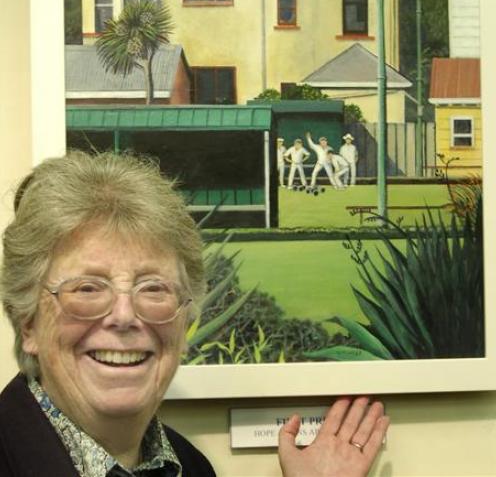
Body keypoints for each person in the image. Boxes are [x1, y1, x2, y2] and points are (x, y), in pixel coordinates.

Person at [0, 150, 389, 476]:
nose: (124, 315)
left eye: (153, 288)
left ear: (185, 319)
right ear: (28, 321)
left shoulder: (191, 467)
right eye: (87, 288)